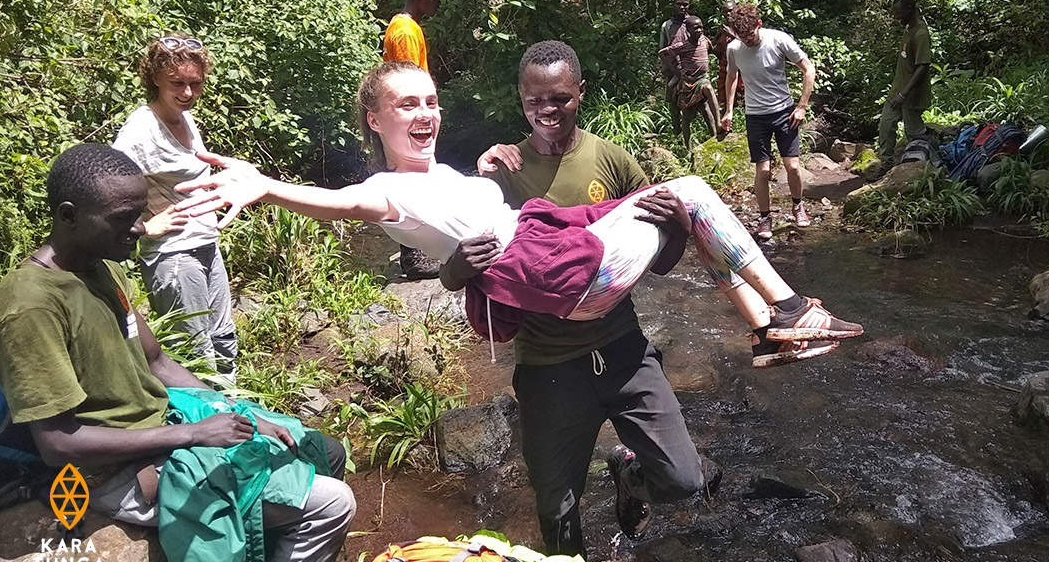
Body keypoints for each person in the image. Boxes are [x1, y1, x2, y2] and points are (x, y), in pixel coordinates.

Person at [441, 42, 859, 562]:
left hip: (623, 349)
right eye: (534, 101)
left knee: (684, 481)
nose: (547, 110)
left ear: (581, 94)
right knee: (556, 507)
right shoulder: (502, 169)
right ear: (520, 100)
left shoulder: (610, 160)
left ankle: (630, 476)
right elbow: (457, 269)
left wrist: (681, 228)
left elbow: (657, 260)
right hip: (547, 365)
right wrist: (458, 265)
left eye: (560, 98)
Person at [177, 61, 861, 363]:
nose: (424, 113)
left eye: (429, 101)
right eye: (405, 104)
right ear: (374, 118)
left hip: (564, 263)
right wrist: (265, 186)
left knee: (694, 217)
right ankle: (791, 308)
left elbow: (475, 215)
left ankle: (768, 328)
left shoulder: (446, 172)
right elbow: (340, 204)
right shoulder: (386, 190)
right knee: (692, 191)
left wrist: (483, 176)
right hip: (562, 279)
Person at [0, 144, 356, 562]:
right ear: (69, 217)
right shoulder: (31, 306)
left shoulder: (99, 265)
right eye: (124, 219)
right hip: (105, 469)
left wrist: (238, 412)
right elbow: (58, 443)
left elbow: (158, 363)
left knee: (318, 449)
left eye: (139, 214)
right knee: (331, 504)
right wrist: (194, 435)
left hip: (162, 430)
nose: (140, 228)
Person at [112, 34, 237, 381]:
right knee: (195, 355)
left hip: (205, 244)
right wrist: (143, 228)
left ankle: (242, 419)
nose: (187, 93)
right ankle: (209, 428)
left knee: (224, 341)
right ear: (155, 78)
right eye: (177, 84)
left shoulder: (185, 118)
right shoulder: (141, 130)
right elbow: (106, 187)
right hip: (174, 256)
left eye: (195, 84)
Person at [722, 3, 817, 238]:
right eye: (741, 37)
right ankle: (765, 218)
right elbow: (732, 77)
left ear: (759, 25)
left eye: (750, 35)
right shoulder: (734, 48)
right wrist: (729, 110)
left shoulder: (778, 40)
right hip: (755, 115)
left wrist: (802, 106)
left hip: (784, 111)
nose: (747, 41)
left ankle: (797, 206)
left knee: (793, 167)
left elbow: (808, 69)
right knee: (762, 171)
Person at [383, 0, 453, 280]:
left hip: (411, 119)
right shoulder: (405, 32)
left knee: (419, 180)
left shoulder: (408, 27)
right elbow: (406, 82)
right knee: (414, 180)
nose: (438, 3)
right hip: (410, 121)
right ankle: (413, 258)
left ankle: (418, 250)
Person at [878, 0, 932, 171]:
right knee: (886, 125)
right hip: (897, 91)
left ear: (910, 9)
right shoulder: (908, 29)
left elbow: (922, 66)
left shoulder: (921, 34)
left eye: (899, 13)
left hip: (911, 95)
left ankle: (924, 167)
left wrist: (905, 93)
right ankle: (885, 165)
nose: (896, 17)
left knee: (915, 133)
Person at [658, 15, 722, 149]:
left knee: (708, 92)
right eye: (695, 28)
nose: (699, 30)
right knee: (687, 117)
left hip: (702, 79)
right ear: (688, 31)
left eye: (701, 27)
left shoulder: (704, 41)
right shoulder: (683, 45)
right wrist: (676, 71)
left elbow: (712, 50)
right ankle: (688, 148)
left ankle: (718, 127)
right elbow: (663, 53)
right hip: (689, 82)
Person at [658, 0, 692, 134]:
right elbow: (662, 49)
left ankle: (690, 134)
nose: (682, 7)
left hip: (691, 70)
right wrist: (670, 68)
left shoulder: (693, 23)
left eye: (685, 5)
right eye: (679, 4)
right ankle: (677, 134)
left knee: (692, 102)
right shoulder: (667, 26)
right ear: (674, 5)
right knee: (673, 103)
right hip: (673, 70)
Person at [712, 1, 742, 110]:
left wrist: (732, 34)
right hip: (725, 68)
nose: (728, 14)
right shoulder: (723, 30)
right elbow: (717, 52)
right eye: (725, 13)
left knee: (740, 97)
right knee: (724, 96)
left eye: (730, 11)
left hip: (741, 67)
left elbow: (747, 45)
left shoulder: (742, 27)